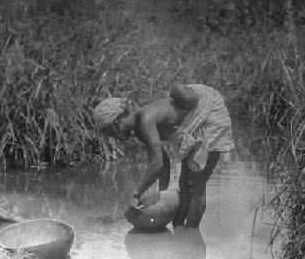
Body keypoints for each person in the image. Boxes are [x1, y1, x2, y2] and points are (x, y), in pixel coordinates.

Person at [93, 83, 234, 228]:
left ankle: (192, 234)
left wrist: (135, 195)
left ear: (118, 119)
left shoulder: (146, 119)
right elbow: (164, 163)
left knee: (195, 185)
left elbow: (157, 165)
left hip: (211, 117)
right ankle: (179, 228)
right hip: (196, 128)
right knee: (184, 184)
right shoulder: (141, 132)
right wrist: (162, 195)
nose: (117, 137)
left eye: (114, 131)